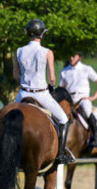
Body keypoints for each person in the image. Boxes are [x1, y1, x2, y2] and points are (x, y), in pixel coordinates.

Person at [12, 19, 74, 164]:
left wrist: (26, 80)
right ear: (42, 35)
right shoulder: (47, 52)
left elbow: (16, 76)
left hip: (23, 94)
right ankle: (60, 155)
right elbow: (52, 78)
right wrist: (51, 85)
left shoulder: (19, 51)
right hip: (41, 94)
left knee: (8, 120)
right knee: (64, 119)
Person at [59, 52, 97, 148]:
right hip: (69, 100)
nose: (71, 58)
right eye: (70, 55)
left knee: (87, 111)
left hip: (83, 98)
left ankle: (95, 137)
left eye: (74, 56)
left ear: (79, 57)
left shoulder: (86, 69)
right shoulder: (64, 72)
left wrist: (93, 97)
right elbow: (61, 89)